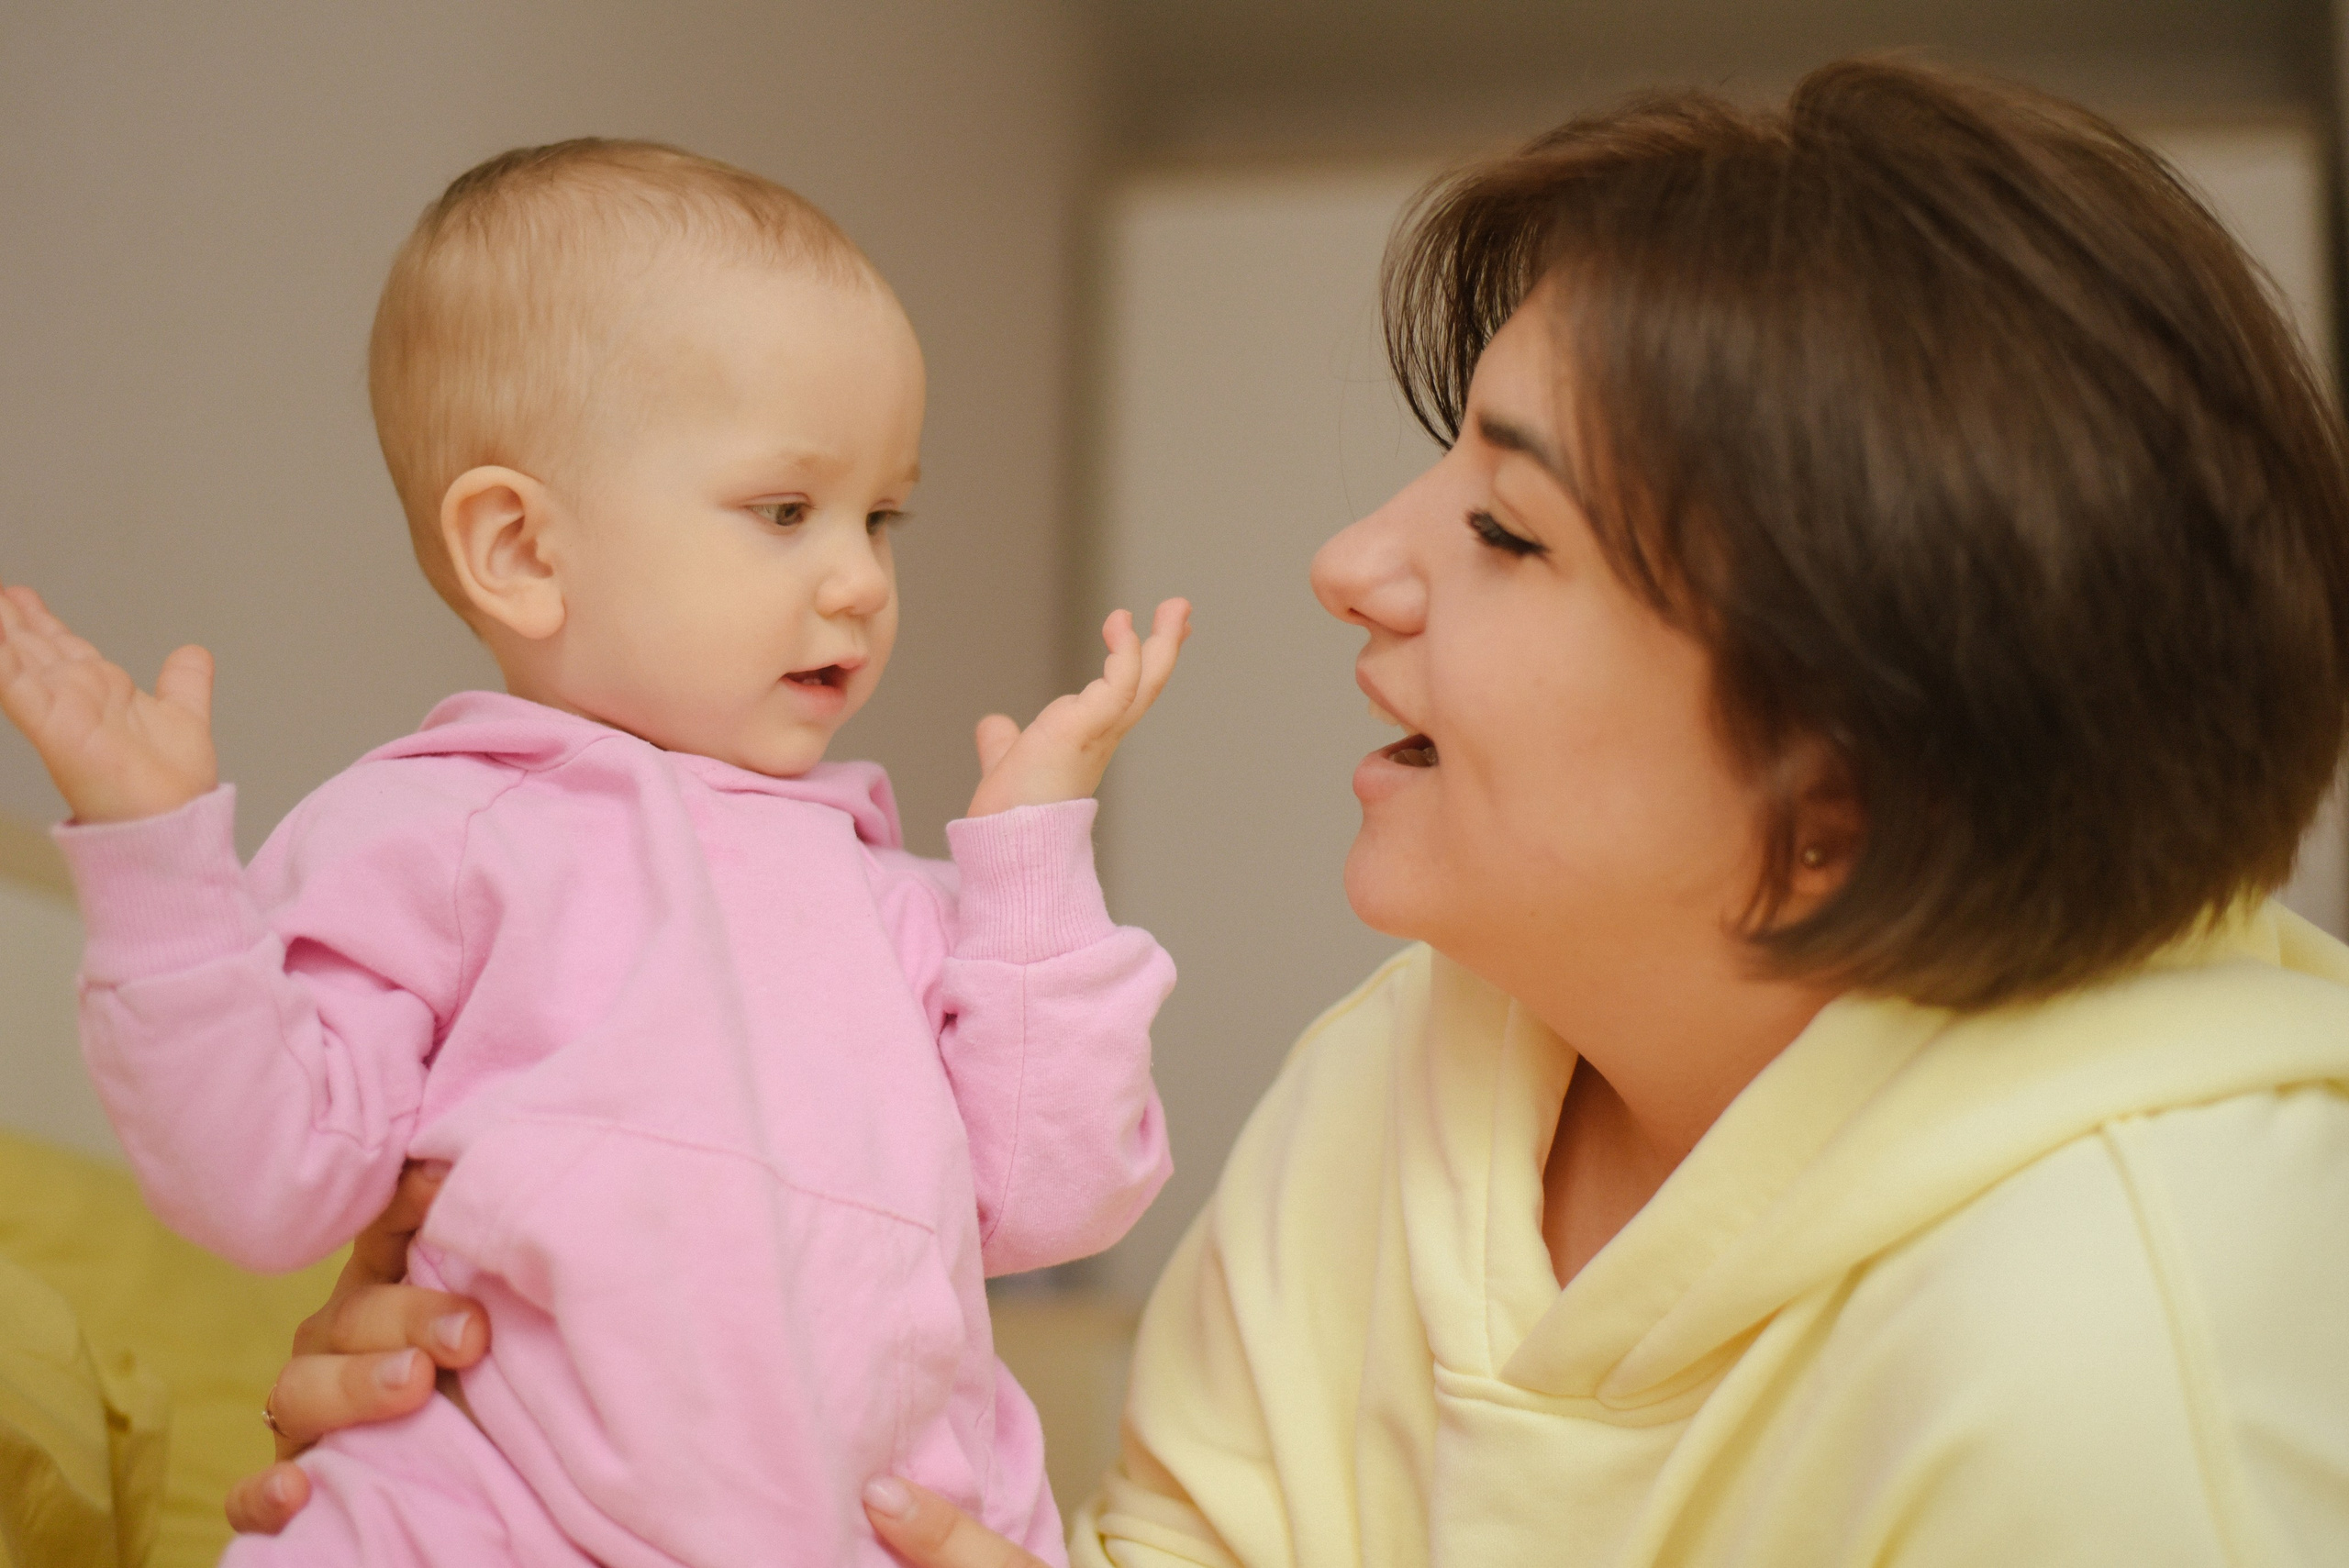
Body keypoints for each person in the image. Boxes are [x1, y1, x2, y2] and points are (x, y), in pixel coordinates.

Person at [232, 60, 2349, 1565]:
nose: (1354, 557)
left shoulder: (2119, 1380)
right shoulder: (1422, 1072)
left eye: (1507, 532)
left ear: (1840, 785)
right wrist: (578, 1450)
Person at [0, 140, 1191, 1566]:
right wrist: (155, 863)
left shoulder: (893, 898)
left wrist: (1029, 866)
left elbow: (1055, 1197)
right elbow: (262, 1178)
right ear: (519, 547)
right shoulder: (439, 836)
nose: (863, 577)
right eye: (786, 511)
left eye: (883, 515)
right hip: (482, 1521)